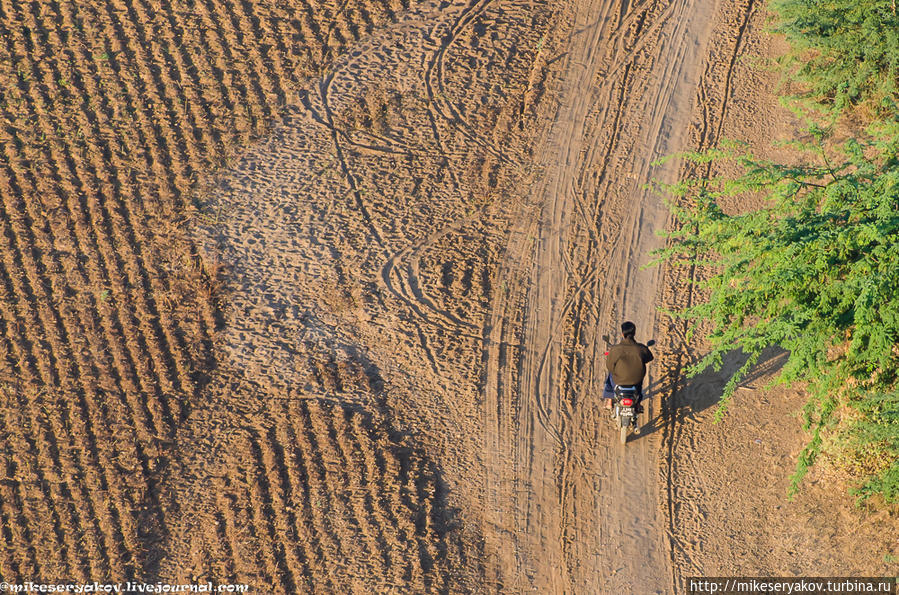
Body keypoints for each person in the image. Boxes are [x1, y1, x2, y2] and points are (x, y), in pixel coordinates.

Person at [603, 321, 653, 411]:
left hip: (618, 380)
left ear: (623, 334)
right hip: (636, 380)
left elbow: (609, 366)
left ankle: (609, 402)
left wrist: (615, 372)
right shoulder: (641, 348)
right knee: (639, 385)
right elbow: (649, 358)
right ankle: (638, 404)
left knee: (610, 376)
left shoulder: (615, 349)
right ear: (634, 333)